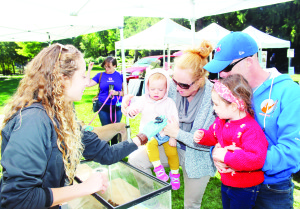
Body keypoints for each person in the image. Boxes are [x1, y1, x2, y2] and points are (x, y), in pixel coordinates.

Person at [0, 43, 167, 209]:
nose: (87, 82)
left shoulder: (63, 114)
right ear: (62, 79)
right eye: (82, 76)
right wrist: (82, 188)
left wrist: (143, 135)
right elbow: (18, 198)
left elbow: (105, 153)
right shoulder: (33, 121)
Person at [204, 32, 300, 209]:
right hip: (236, 184)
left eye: (227, 68)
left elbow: (293, 152)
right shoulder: (229, 92)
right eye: (218, 70)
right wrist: (216, 152)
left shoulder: (290, 92)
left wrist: (241, 160)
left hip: (272, 190)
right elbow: (219, 131)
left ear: (249, 60)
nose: (222, 75)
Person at [122, 40, 217, 209]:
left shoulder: (214, 97)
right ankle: (152, 204)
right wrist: (129, 103)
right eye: (175, 81)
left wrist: (176, 133)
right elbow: (152, 97)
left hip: (198, 156)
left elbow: (207, 143)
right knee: (136, 159)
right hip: (168, 145)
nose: (178, 88)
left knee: (191, 204)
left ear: (200, 80)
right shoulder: (173, 86)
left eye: (184, 85)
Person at [194, 74, 268, 209]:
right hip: (227, 182)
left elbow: (256, 159)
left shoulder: (251, 129)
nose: (213, 108)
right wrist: (203, 136)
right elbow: (213, 135)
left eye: (216, 104)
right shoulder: (221, 122)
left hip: (245, 187)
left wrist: (225, 156)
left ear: (234, 106)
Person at [126, 69, 180, 190]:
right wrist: (132, 111)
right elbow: (133, 108)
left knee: (172, 152)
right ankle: (158, 168)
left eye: (160, 90)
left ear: (166, 89)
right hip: (150, 134)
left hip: (166, 133)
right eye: (152, 89)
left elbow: (174, 119)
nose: (156, 92)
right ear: (147, 87)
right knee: (150, 146)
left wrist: (173, 137)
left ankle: (175, 174)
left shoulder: (169, 102)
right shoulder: (144, 100)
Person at [86, 57, 123, 145]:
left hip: (117, 107)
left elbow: (126, 92)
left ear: (115, 66)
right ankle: (106, 152)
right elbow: (88, 84)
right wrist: (89, 70)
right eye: (105, 67)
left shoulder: (120, 76)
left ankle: (115, 151)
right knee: (105, 130)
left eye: (109, 67)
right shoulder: (100, 75)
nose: (106, 69)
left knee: (115, 129)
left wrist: (116, 93)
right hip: (103, 106)